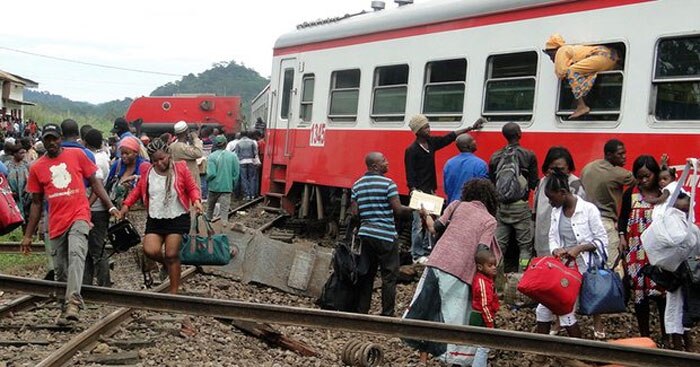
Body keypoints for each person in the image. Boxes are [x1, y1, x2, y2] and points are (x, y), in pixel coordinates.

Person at [20, 123, 120, 324]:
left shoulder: (77, 155)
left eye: (54, 138)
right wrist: (28, 234)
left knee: (77, 254)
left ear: (60, 138)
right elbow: (37, 203)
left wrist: (110, 206)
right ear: (43, 141)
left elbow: (95, 183)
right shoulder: (37, 167)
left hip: (79, 215)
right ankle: (65, 308)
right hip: (56, 222)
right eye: (47, 139)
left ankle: (73, 301)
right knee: (60, 269)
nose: (51, 143)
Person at [404, 179, 500, 366]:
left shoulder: (456, 205)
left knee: (428, 309)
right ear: (490, 200)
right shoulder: (490, 221)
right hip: (459, 271)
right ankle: (452, 359)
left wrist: (425, 214)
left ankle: (422, 361)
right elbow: (482, 251)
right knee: (451, 317)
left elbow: (434, 228)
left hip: (436, 262)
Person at [119, 139, 203, 295]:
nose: (159, 163)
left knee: (172, 253)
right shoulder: (147, 171)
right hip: (156, 218)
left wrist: (197, 201)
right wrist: (126, 205)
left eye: (162, 159)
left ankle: (174, 293)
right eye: (155, 160)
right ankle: (167, 265)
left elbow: (192, 188)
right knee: (150, 250)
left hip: (177, 217)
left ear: (169, 155)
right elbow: (138, 190)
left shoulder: (180, 168)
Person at [535, 168, 607, 339]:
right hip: (564, 267)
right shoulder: (556, 212)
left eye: (552, 198)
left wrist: (579, 248)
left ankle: (575, 352)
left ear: (562, 193)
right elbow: (552, 236)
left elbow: (602, 240)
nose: (551, 203)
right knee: (547, 308)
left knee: (564, 309)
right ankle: (543, 351)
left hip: (585, 267)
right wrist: (556, 250)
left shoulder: (588, 209)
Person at [404, 115, 485, 263]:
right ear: (417, 131)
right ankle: (416, 254)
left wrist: (470, 128)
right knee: (418, 224)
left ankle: (427, 251)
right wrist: (413, 190)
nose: (428, 129)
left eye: (428, 126)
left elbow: (450, 137)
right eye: (424, 127)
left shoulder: (431, 143)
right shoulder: (412, 150)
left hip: (430, 190)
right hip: (419, 191)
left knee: (431, 222)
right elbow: (410, 173)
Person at [349, 152, 412, 317]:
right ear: (375, 166)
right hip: (385, 236)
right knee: (389, 276)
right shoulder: (388, 184)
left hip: (366, 235)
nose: (387, 162)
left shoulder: (357, 185)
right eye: (384, 160)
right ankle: (387, 313)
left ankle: (362, 311)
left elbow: (355, 214)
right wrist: (417, 209)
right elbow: (398, 210)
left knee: (367, 274)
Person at [618, 155, 667, 342]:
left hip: (659, 252)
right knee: (640, 293)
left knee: (662, 293)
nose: (644, 180)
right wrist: (622, 236)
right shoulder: (631, 194)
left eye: (647, 176)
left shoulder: (664, 193)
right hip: (636, 251)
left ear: (655, 174)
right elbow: (622, 217)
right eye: (640, 176)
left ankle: (665, 334)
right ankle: (645, 335)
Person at [488, 122, 538, 272]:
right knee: (525, 247)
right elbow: (533, 183)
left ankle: (497, 280)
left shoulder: (495, 156)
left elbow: (492, 181)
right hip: (521, 207)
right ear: (519, 134)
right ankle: (522, 276)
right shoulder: (528, 155)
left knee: (499, 246)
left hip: (502, 208)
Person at [581, 139, 635, 269]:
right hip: (606, 223)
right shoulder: (618, 173)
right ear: (609, 155)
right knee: (612, 264)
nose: (624, 157)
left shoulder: (588, 167)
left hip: (586, 222)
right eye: (620, 154)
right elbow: (640, 180)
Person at [543, 33, 619, 119]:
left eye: (550, 54)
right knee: (583, 73)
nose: (551, 58)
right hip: (610, 57)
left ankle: (581, 106)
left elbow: (561, 72)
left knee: (571, 71)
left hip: (601, 56)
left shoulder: (561, 51)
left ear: (555, 50)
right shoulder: (572, 50)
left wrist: (562, 67)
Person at [534, 146, 586, 256]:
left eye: (561, 169)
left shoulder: (575, 185)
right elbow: (534, 213)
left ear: (568, 168)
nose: (557, 173)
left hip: (567, 246)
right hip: (543, 242)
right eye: (553, 169)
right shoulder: (542, 183)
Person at [82, 129, 112, 287]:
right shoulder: (104, 158)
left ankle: (103, 284)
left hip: (94, 209)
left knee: (96, 250)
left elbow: (97, 186)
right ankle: (88, 283)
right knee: (92, 249)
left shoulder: (93, 159)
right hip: (99, 209)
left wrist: (86, 205)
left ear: (85, 142)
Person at [470, 248, 500, 367]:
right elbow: (484, 305)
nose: (494, 267)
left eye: (494, 265)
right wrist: (490, 322)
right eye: (490, 265)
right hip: (480, 317)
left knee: (479, 345)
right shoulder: (482, 282)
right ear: (480, 267)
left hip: (482, 315)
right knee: (483, 345)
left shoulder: (487, 280)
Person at [443, 133, 488, 205]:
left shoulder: (449, 163)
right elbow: (483, 191)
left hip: (453, 206)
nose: (475, 142)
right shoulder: (480, 164)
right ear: (468, 146)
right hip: (471, 208)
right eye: (472, 140)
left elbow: (446, 189)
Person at [105, 137, 148, 208]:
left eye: (127, 153)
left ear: (136, 153)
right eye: (122, 153)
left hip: (138, 211)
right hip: (118, 209)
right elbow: (108, 184)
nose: (124, 156)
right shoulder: (117, 165)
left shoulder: (144, 166)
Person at [206, 135, 240, 226]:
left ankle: (207, 227)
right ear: (225, 144)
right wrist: (232, 184)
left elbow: (211, 173)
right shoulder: (233, 156)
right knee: (224, 211)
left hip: (213, 187)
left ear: (216, 145)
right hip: (226, 187)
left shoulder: (211, 156)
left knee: (209, 209)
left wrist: (207, 180)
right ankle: (224, 229)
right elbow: (236, 174)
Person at [170, 120, 203, 192]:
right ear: (186, 132)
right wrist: (195, 138)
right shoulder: (182, 147)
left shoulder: (172, 146)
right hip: (189, 182)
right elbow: (199, 153)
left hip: (178, 180)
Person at [5, 143, 31, 223]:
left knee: (26, 216)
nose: (23, 155)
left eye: (24, 153)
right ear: (15, 154)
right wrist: (10, 192)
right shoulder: (7, 165)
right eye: (21, 153)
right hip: (12, 196)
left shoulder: (26, 165)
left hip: (25, 196)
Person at [234, 131, 260, 200]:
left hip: (242, 162)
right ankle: (253, 194)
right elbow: (255, 153)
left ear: (241, 135)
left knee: (244, 178)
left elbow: (236, 154)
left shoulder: (238, 143)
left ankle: (247, 195)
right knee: (252, 178)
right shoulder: (252, 142)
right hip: (251, 161)